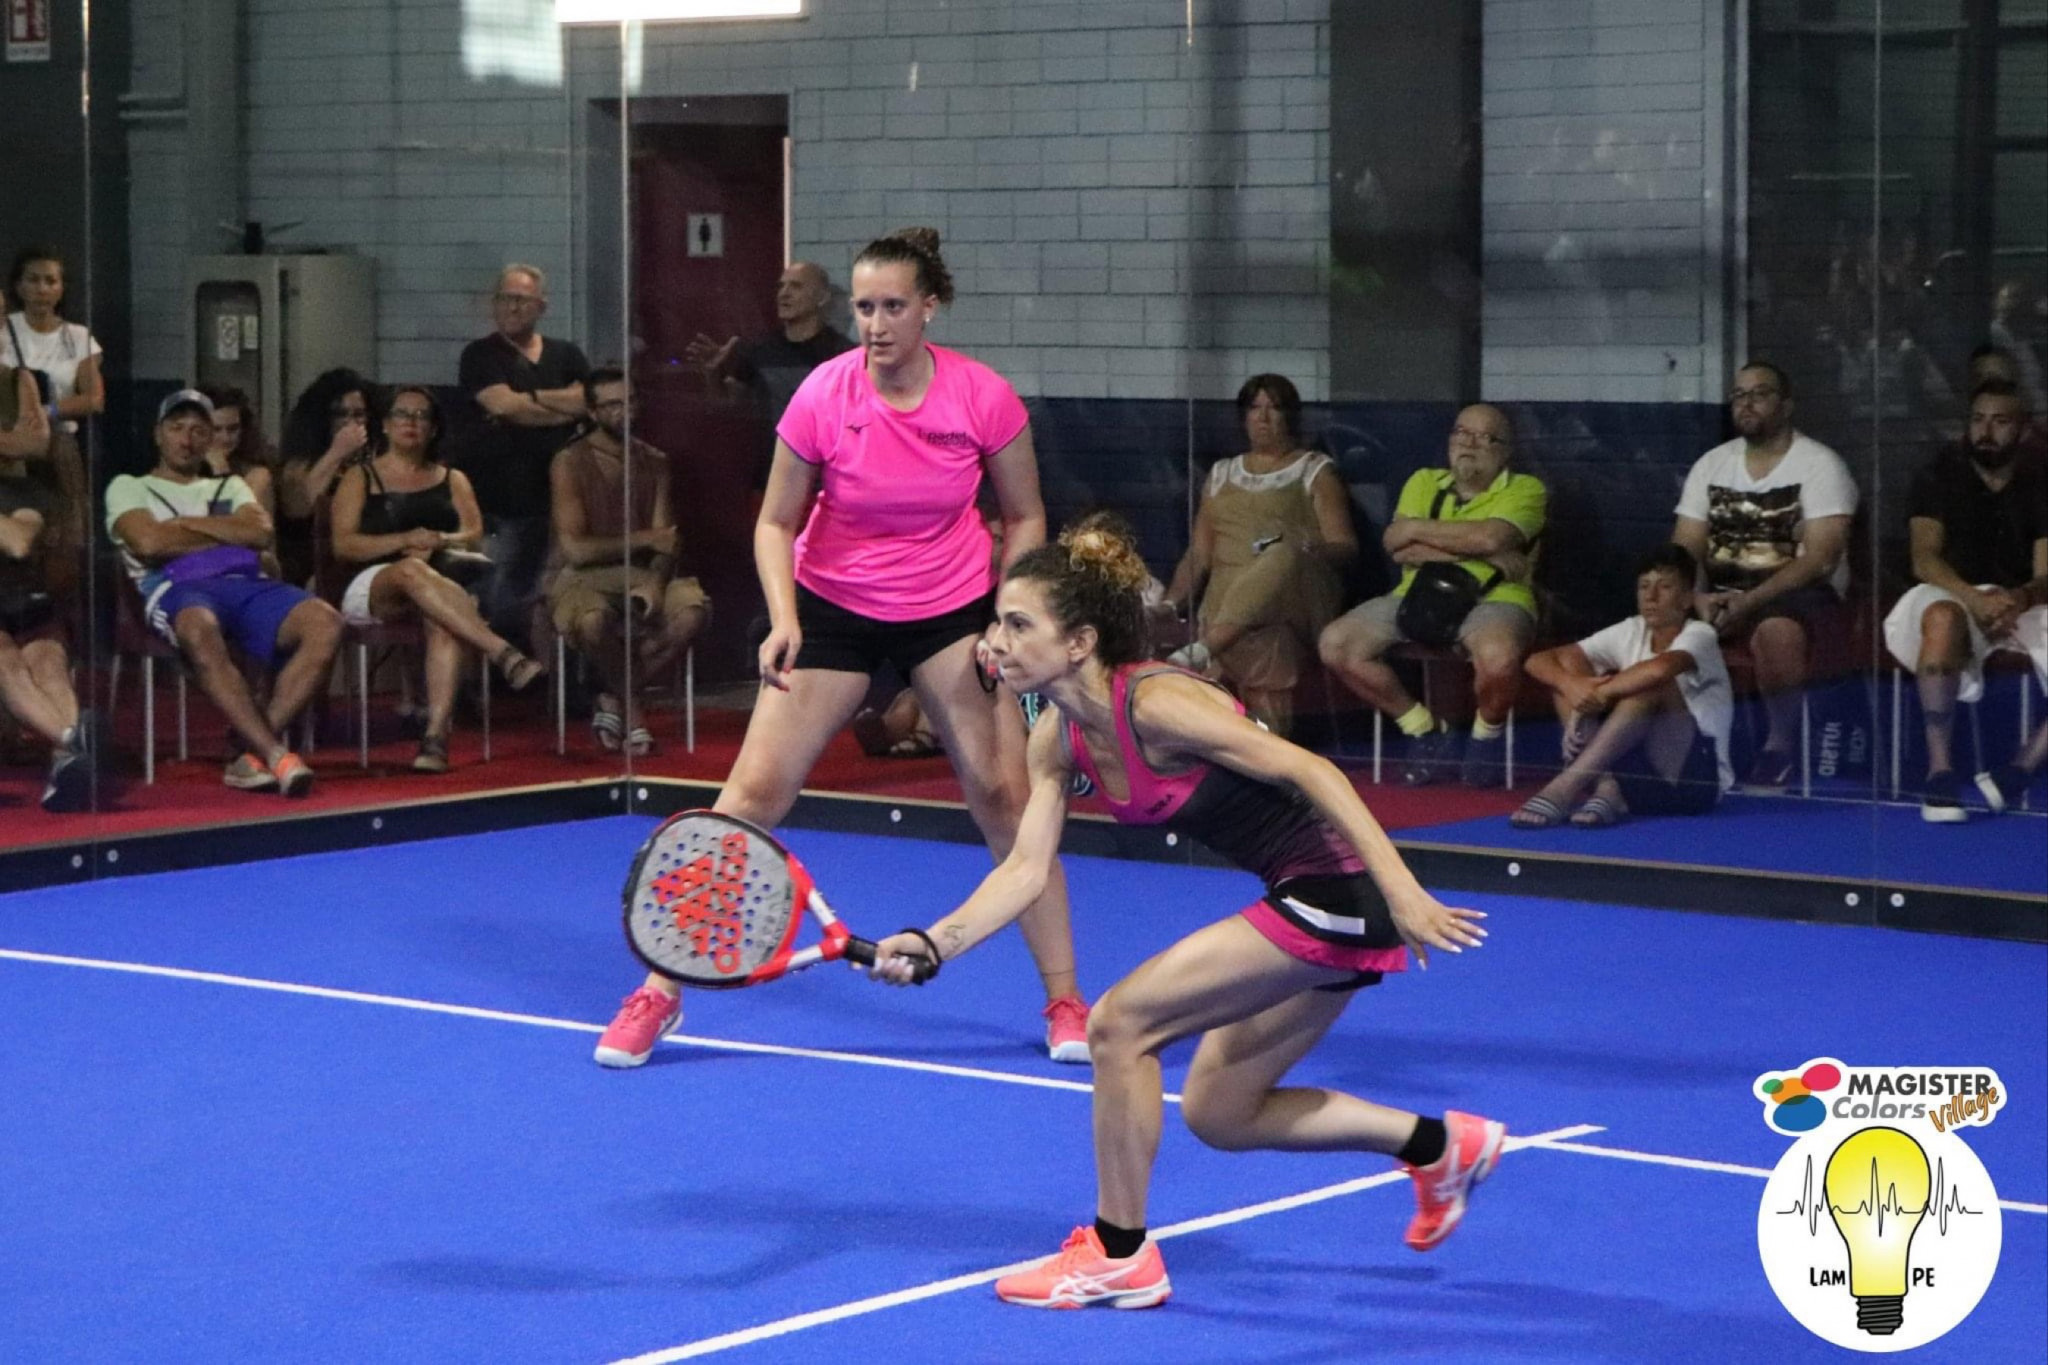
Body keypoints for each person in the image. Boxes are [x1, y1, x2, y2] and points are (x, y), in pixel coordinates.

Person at [860, 523, 1499, 1310]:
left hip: (1338, 891)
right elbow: (1025, 869)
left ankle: (1119, 1253)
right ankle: (1439, 1146)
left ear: (1079, 641)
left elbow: (1312, 768)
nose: (996, 641)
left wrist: (1403, 892)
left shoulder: (1157, 703)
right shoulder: (1057, 735)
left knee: (1118, 1024)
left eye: (1019, 623)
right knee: (1220, 1112)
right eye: (997, 621)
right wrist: (934, 941)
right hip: (1315, 898)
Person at [593, 227, 1092, 1068]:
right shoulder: (823, 394)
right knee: (749, 794)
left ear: (930, 308)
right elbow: (775, 522)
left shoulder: (983, 397)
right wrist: (784, 618)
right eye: (864, 307)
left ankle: (1066, 1001)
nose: (876, 324)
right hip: (832, 606)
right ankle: (658, 990)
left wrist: (1003, 621)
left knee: (1007, 801)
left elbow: (1025, 516)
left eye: (894, 306)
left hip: (950, 611)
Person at [106, 389, 342, 796]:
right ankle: (274, 753)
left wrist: (181, 526)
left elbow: (259, 533)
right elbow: (148, 543)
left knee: (326, 622)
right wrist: (224, 533)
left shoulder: (230, 485)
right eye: (177, 428)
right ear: (158, 434)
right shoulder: (129, 486)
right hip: (178, 589)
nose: (187, 439)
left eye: (199, 430)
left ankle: (248, 750)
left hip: (246, 584)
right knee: (198, 626)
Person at [1319, 404, 1547, 786]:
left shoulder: (1527, 489)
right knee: (1336, 644)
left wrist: (1418, 532)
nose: (1469, 444)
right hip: (1416, 592)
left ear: (1506, 451)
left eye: (1484, 437)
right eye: (1462, 433)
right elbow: (1396, 545)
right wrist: (1476, 550)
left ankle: (1485, 738)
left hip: (1495, 596)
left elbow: (1490, 537)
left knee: (1499, 659)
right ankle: (1425, 730)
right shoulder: (1423, 480)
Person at [329, 385, 546, 773]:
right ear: (385, 424)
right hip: (377, 583)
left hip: (440, 582)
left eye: (421, 416)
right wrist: (404, 541)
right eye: (402, 414)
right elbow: (344, 544)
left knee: (443, 621)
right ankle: (501, 652)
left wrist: (440, 540)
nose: (411, 422)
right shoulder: (360, 477)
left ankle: (434, 738)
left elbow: (473, 534)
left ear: (433, 429)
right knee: (412, 571)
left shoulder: (453, 478)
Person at [1671, 362, 1858, 788]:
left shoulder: (1820, 464)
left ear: (1786, 405)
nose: (1746, 403)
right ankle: (1679, 750)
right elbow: (1684, 548)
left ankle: (1779, 745)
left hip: (1801, 596)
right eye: (1739, 395)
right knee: (1659, 617)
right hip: (1720, 596)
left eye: (1759, 393)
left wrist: (1748, 603)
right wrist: (1695, 598)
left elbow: (1821, 559)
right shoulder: (1711, 464)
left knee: (1776, 632)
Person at [1882, 378, 2048, 821]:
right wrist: (1973, 599)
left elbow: (2045, 573)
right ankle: (1940, 774)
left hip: (2018, 603)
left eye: (2000, 422)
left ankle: (2020, 769)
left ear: (2023, 430)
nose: (1985, 432)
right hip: (1950, 590)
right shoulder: (1937, 476)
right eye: (1978, 420)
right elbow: (1924, 559)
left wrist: (2019, 598)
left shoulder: (2040, 482)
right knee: (1942, 618)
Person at [1162, 374, 1358, 736]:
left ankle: (1206, 649)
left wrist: (1304, 548)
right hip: (1229, 600)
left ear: (1290, 416)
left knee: (1282, 556)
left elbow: (1344, 547)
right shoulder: (1221, 474)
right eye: (1255, 408)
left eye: (1274, 408)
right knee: (1261, 634)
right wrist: (1170, 604)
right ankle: (1257, 743)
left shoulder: (1314, 470)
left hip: (1298, 594)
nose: (1263, 417)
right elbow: (1200, 554)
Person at [545, 367, 709, 756]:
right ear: (592, 411)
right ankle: (633, 711)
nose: (625, 412)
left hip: (641, 572)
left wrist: (655, 581)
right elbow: (577, 550)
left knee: (691, 613)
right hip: (583, 576)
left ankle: (609, 694)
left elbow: (666, 540)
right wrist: (645, 539)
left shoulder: (654, 460)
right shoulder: (569, 461)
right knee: (593, 621)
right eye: (613, 405)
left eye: (630, 402)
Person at [1512, 545, 1733, 828]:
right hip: (1632, 775)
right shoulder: (1633, 628)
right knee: (1567, 673)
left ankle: (1563, 788)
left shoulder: (1701, 634)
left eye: (1664, 587)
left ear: (1687, 599)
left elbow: (1660, 669)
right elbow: (1538, 660)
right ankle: (1606, 786)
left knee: (1652, 684)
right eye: (1644, 586)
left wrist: (1596, 695)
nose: (1651, 596)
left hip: (1693, 784)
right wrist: (1572, 686)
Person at [458, 264, 590, 642]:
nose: (512, 307)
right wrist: (562, 408)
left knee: (550, 597)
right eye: (505, 298)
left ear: (541, 306)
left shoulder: (566, 354)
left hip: (559, 501)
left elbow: (589, 401)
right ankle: (505, 670)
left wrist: (530, 398)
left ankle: (549, 669)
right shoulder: (480, 355)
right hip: (502, 504)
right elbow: (503, 406)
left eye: (521, 300)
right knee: (501, 599)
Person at [1, 357, 94, 811]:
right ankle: (77, 743)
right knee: (6, 661)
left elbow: (18, 542)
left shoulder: (31, 494)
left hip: (25, 606)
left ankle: (68, 761)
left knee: (48, 663)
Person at [687, 262, 856, 458]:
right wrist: (713, 374)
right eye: (781, 286)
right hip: (769, 469)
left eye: (796, 286)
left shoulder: (843, 355)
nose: (784, 293)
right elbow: (725, 407)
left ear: (822, 298)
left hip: (826, 469)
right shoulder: (759, 350)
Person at [278, 369, 382, 588]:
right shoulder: (300, 461)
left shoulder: (377, 454)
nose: (350, 422)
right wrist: (337, 452)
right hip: (313, 557)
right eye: (340, 414)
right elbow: (301, 507)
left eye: (358, 414)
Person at [2, 248, 105, 432]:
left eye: (50, 281)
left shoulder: (78, 336)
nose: (42, 289)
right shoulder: (3, 328)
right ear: (19, 287)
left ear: (61, 289)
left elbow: (94, 399)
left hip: (58, 435)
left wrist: (46, 411)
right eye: (33, 280)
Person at [201, 385, 279, 522]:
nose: (225, 438)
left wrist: (221, 474)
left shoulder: (256, 477)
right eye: (216, 429)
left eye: (233, 429)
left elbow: (232, 529)